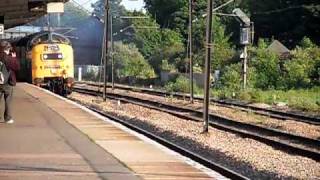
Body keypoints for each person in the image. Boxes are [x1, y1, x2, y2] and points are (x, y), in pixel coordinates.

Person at [0, 41, 20, 124]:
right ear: (7, 49)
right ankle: (7, 118)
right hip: (7, 82)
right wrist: (14, 58)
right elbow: (17, 67)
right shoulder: (8, 58)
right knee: (8, 100)